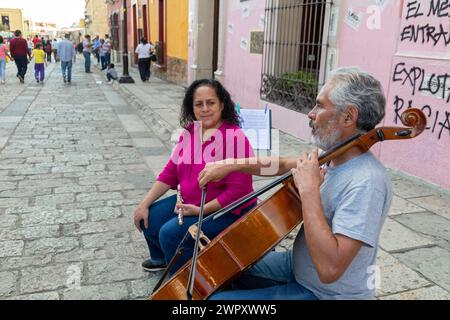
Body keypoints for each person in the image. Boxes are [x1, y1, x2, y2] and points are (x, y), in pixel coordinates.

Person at [199, 68, 393, 300]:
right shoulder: (332, 153)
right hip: (298, 265)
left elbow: (330, 269)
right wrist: (232, 164)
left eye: (320, 106)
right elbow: (282, 164)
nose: (311, 113)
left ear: (349, 117)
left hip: (325, 293)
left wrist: (310, 191)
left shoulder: (367, 182)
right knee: (220, 266)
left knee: (216, 302)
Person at [133, 79, 256, 275]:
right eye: (199, 104)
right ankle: (164, 259)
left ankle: (188, 278)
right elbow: (171, 171)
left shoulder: (234, 138)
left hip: (228, 210)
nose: (205, 109)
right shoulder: (191, 131)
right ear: (192, 107)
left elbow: (238, 191)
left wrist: (200, 210)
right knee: (149, 218)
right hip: (191, 202)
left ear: (222, 105)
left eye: (211, 103)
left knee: (170, 234)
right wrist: (144, 204)